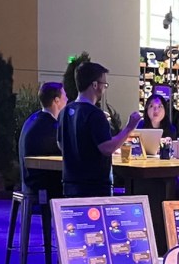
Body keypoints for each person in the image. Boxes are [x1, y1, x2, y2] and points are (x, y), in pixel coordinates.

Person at [58, 62, 140, 197]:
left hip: (70, 183)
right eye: (104, 85)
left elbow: (60, 144)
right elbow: (107, 148)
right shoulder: (94, 114)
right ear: (95, 85)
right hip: (94, 186)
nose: (104, 88)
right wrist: (130, 127)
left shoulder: (65, 111)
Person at [18, 82, 67, 199]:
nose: (67, 99)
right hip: (40, 184)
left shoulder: (34, 119)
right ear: (57, 101)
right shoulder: (49, 127)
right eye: (65, 96)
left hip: (29, 179)